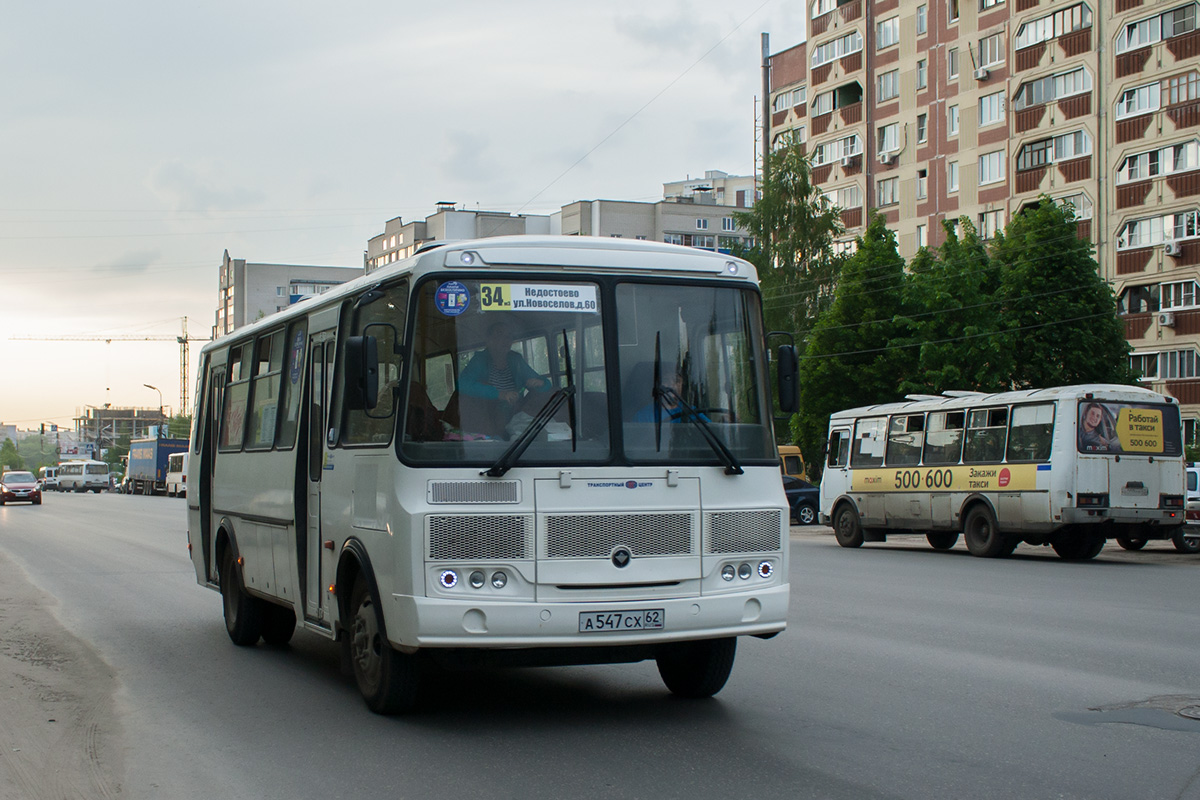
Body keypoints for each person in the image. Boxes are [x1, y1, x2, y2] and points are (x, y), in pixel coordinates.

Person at [458, 321, 550, 432]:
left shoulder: (516, 360)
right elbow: (462, 384)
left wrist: (541, 383)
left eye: (509, 336)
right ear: (489, 339)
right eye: (499, 334)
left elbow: (546, 385)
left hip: (516, 413)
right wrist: (499, 394)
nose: (506, 339)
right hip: (487, 416)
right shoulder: (480, 360)